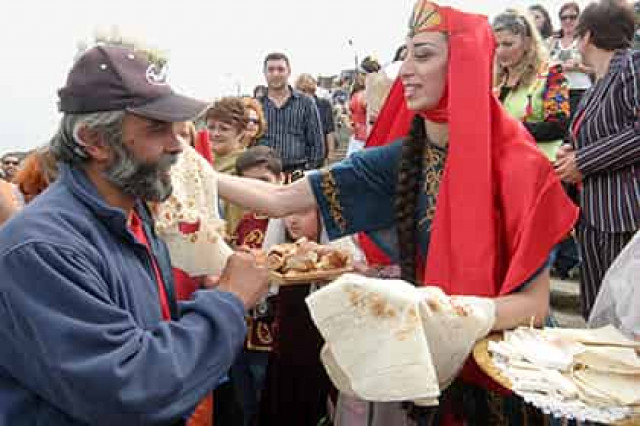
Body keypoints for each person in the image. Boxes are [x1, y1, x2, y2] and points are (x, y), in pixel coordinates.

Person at [216, 1, 578, 423]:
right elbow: (281, 200)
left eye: (422, 54)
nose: (405, 68)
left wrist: (452, 312)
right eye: (405, 54)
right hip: (440, 368)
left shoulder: (520, 164)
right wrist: (193, 170)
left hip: (513, 373)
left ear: (465, 63)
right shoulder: (404, 158)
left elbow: (534, 307)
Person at [0, 45, 269, 425]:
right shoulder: (43, 248)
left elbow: (147, 336)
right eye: (156, 129)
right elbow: (131, 390)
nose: (177, 144)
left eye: (176, 128)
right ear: (94, 140)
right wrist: (229, 299)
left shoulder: (134, 216)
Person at [555, 0, 640, 320]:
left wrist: (584, 160)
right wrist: (569, 151)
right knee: (595, 313)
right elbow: (590, 136)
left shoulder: (632, 65)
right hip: (593, 214)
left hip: (625, 214)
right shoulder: (595, 87)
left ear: (586, 36)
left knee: (626, 317)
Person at [230, 146, 284, 426]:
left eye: (263, 181)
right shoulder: (245, 222)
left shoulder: (291, 222)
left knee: (269, 400)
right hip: (242, 328)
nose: (255, 190)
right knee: (245, 402)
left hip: (273, 334)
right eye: (247, 183)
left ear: (281, 180)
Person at [493, 10, 570, 161]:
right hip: (505, 163)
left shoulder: (551, 74)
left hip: (540, 166)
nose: (501, 51)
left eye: (508, 44)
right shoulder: (496, 79)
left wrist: (510, 128)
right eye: (497, 45)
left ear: (527, 43)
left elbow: (559, 126)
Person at [258, 52, 325, 172]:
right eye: (271, 70)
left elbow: (317, 143)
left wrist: (308, 170)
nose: (275, 74)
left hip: (297, 171)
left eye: (280, 69)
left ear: (288, 71)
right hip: (264, 173)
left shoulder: (306, 103)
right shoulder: (257, 105)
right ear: (264, 73)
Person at [206, 97, 249, 238]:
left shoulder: (245, 167)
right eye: (211, 127)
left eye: (224, 128)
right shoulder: (203, 163)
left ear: (241, 133)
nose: (215, 134)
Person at [549, 2, 593, 117]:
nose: (568, 21)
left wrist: (578, 67)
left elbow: (596, 69)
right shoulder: (551, 42)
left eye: (572, 17)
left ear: (579, 19)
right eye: (564, 18)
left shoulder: (586, 41)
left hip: (580, 90)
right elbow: (542, 67)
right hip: (556, 91)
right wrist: (559, 67)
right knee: (558, 127)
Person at [295, 73, 337, 163]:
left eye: (310, 91)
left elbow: (330, 129)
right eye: (303, 91)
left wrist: (331, 152)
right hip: (300, 153)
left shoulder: (324, 104)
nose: (307, 94)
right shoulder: (295, 106)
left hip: (321, 151)